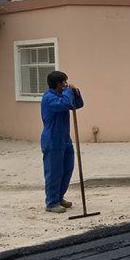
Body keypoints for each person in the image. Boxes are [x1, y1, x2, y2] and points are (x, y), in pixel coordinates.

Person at [41, 71, 84, 213]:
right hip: (53, 139)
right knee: (54, 172)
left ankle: (59, 197)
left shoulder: (62, 96)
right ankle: (52, 202)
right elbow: (65, 103)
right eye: (64, 82)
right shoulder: (49, 98)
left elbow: (77, 105)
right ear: (58, 84)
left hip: (65, 138)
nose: (66, 84)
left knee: (67, 169)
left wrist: (76, 93)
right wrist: (68, 92)